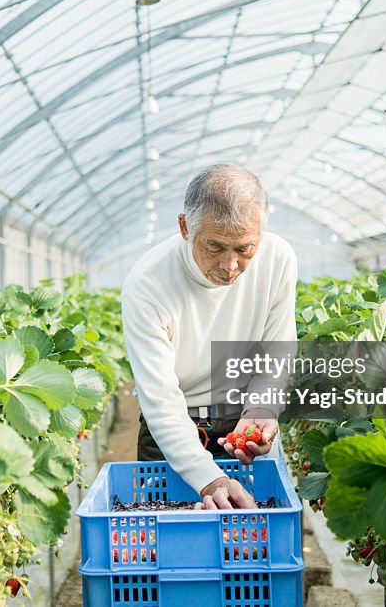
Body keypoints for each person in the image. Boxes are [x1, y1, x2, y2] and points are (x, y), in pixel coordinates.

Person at [121, 164, 297, 510]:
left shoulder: (278, 259)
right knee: (173, 543)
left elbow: (276, 349)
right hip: (174, 424)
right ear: (185, 227)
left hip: (242, 421)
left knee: (254, 542)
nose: (230, 265)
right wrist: (210, 479)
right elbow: (160, 398)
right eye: (215, 247)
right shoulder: (148, 283)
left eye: (245, 249)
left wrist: (262, 408)